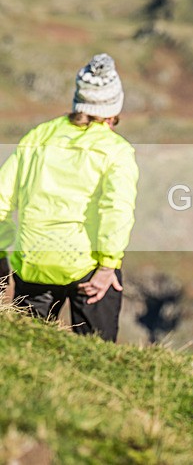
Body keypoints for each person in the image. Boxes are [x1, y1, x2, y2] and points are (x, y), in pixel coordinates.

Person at [0, 53, 138, 342]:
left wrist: (2, 254)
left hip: (33, 262)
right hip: (86, 267)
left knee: (28, 350)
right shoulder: (117, 151)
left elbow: (2, 196)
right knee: (98, 357)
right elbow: (117, 210)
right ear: (113, 107)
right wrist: (107, 265)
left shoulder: (38, 136)